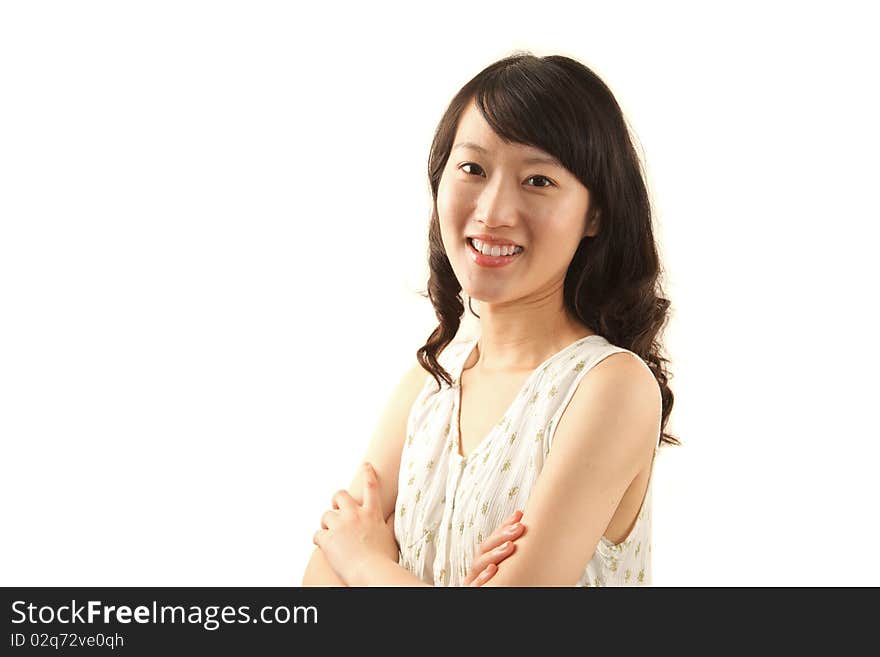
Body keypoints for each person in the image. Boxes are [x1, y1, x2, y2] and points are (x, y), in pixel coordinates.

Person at [303, 51, 678, 587]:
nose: (494, 211)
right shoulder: (431, 384)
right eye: (473, 169)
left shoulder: (610, 387)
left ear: (596, 213)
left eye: (539, 180)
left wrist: (364, 561)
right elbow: (317, 585)